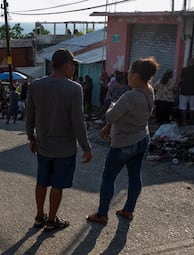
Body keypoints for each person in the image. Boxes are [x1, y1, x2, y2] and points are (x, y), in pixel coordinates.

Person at [26, 48, 92, 232]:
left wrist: (31, 137)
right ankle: (51, 220)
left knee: (41, 181)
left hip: (43, 146)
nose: (74, 68)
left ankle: (40, 216)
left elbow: (29, 115)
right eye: (72, 64)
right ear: (65, 66)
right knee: (57, 185)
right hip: (64, 149)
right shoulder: (74, 89)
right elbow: (78, 122)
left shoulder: (36, 85)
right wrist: (86, 147)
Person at [87, 56, 159, 225]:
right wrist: (108, 127)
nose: (127, 76)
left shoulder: (130, 96)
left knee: (108, 177)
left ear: (135, 75)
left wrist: (112, 105)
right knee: (135, 176)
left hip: (124, 143)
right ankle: (128, 210)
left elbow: (111, 115)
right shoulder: (150, 90)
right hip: (142, 137)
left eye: (129, 73)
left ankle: (102, 214)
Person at [178, 60, 194, 125]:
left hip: (184, 90)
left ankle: (184, 121)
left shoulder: (184, 69)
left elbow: (182, 78)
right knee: (193, 107)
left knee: (183, 106)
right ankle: (191, 121)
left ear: (188, 63)